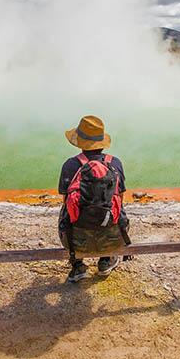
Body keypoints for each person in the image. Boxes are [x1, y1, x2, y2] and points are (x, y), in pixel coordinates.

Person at [58, 115, 130, 282]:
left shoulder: (70, 165)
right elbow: (120, 200)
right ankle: (106, 261)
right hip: (112, 238)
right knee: (116, 209)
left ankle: (78, 266)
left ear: (80, 142)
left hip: (76, 240)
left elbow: (66, 202)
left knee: (65, 211)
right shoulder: (115, 163)